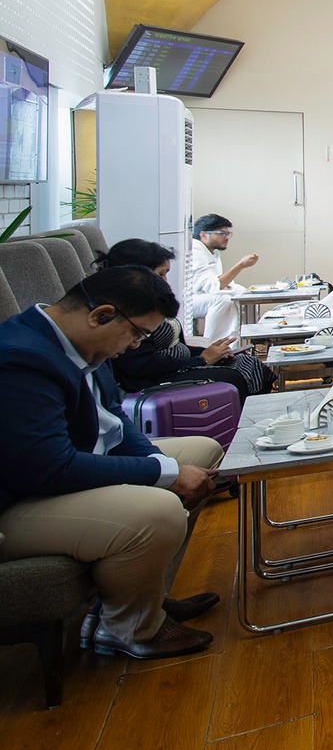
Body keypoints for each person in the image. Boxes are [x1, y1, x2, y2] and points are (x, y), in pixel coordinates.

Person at [0, 265, 223, 660]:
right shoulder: (21, 358)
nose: (135, 345)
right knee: (159, 509)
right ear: (101, 315)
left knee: (201, 453)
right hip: (16, 503)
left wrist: (160, 463)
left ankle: (142, 596)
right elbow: (48, 468)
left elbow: (112, 418)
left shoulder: (78, 341)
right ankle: (129, 628)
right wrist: (164, 475)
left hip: (62, 470)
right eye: (137, 333)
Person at [101, 239, 274, 398]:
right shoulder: (130, 312)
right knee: (232, 378)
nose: (165, 281)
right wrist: (202, 360)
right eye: (161, 274)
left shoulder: (151, 303)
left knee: (248, 363)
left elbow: (178, 345)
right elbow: (141, 364)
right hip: (155, 378)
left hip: (179, 366)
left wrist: (210, 353)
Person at [186, 212, 258, 345]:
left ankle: (245, 342)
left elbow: (217, 282)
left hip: (201, 296)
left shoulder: (211, 251)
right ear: (203, 234)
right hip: (187, 301)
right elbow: (214, 285)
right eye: (221, 233)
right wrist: (240, 265)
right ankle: (215, 347)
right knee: (224, 300)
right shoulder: (196, 251)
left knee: (242, 292)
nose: (226, 238)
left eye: (228, 234)